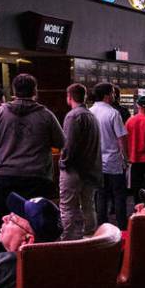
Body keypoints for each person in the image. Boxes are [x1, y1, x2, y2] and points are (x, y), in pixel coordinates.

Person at [0, 74, 65, 247]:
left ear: (13, 91)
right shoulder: (45, 115)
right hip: (37, 176)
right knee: (36, 225)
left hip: (6, 176)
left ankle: (1, 263)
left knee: (3, 223)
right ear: (35, 91)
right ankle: (32, 265)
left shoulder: (0, 113)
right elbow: (61, 142)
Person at [59, 83, 102, 240]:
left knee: (68, 206)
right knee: (88, 206)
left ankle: (70, 239)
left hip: (74, 170)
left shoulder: (73, 116)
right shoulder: (92, 116)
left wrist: (63, 163)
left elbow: (68, 145)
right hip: (90, 170)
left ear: (69, 97)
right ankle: (90, 237)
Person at [90, 83, 130, 229]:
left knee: (101, 196)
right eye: (113, 93)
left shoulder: (89, 112)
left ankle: (102, 227)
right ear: (107, 95)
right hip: (114, 162)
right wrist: (126, 158)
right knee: (119, 196)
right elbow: (121, 138)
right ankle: (122, 227)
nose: (114, 96)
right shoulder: (113, 113)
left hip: (97, 163)